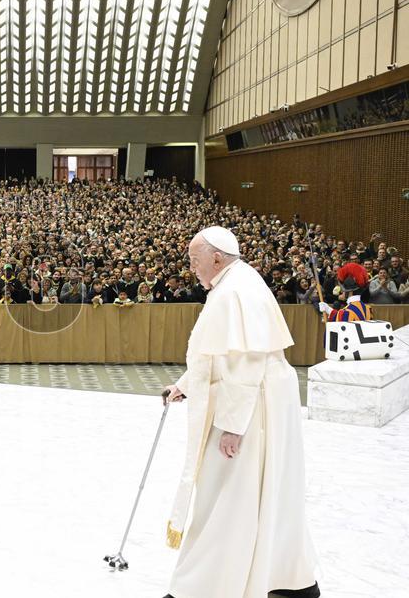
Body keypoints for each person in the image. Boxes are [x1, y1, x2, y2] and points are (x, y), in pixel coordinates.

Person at [162, 226, 318, 598]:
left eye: (194, 260)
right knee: (264, 494)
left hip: (250, 410)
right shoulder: (236, 284)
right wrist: (186, 384)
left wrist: (233, 426)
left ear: (216, 257)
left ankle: (202, 588)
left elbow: (245, 361)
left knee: (230, 496)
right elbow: (219, 354)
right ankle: (290, 579)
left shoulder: (234, 291)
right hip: (256, 402)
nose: (192, 268)